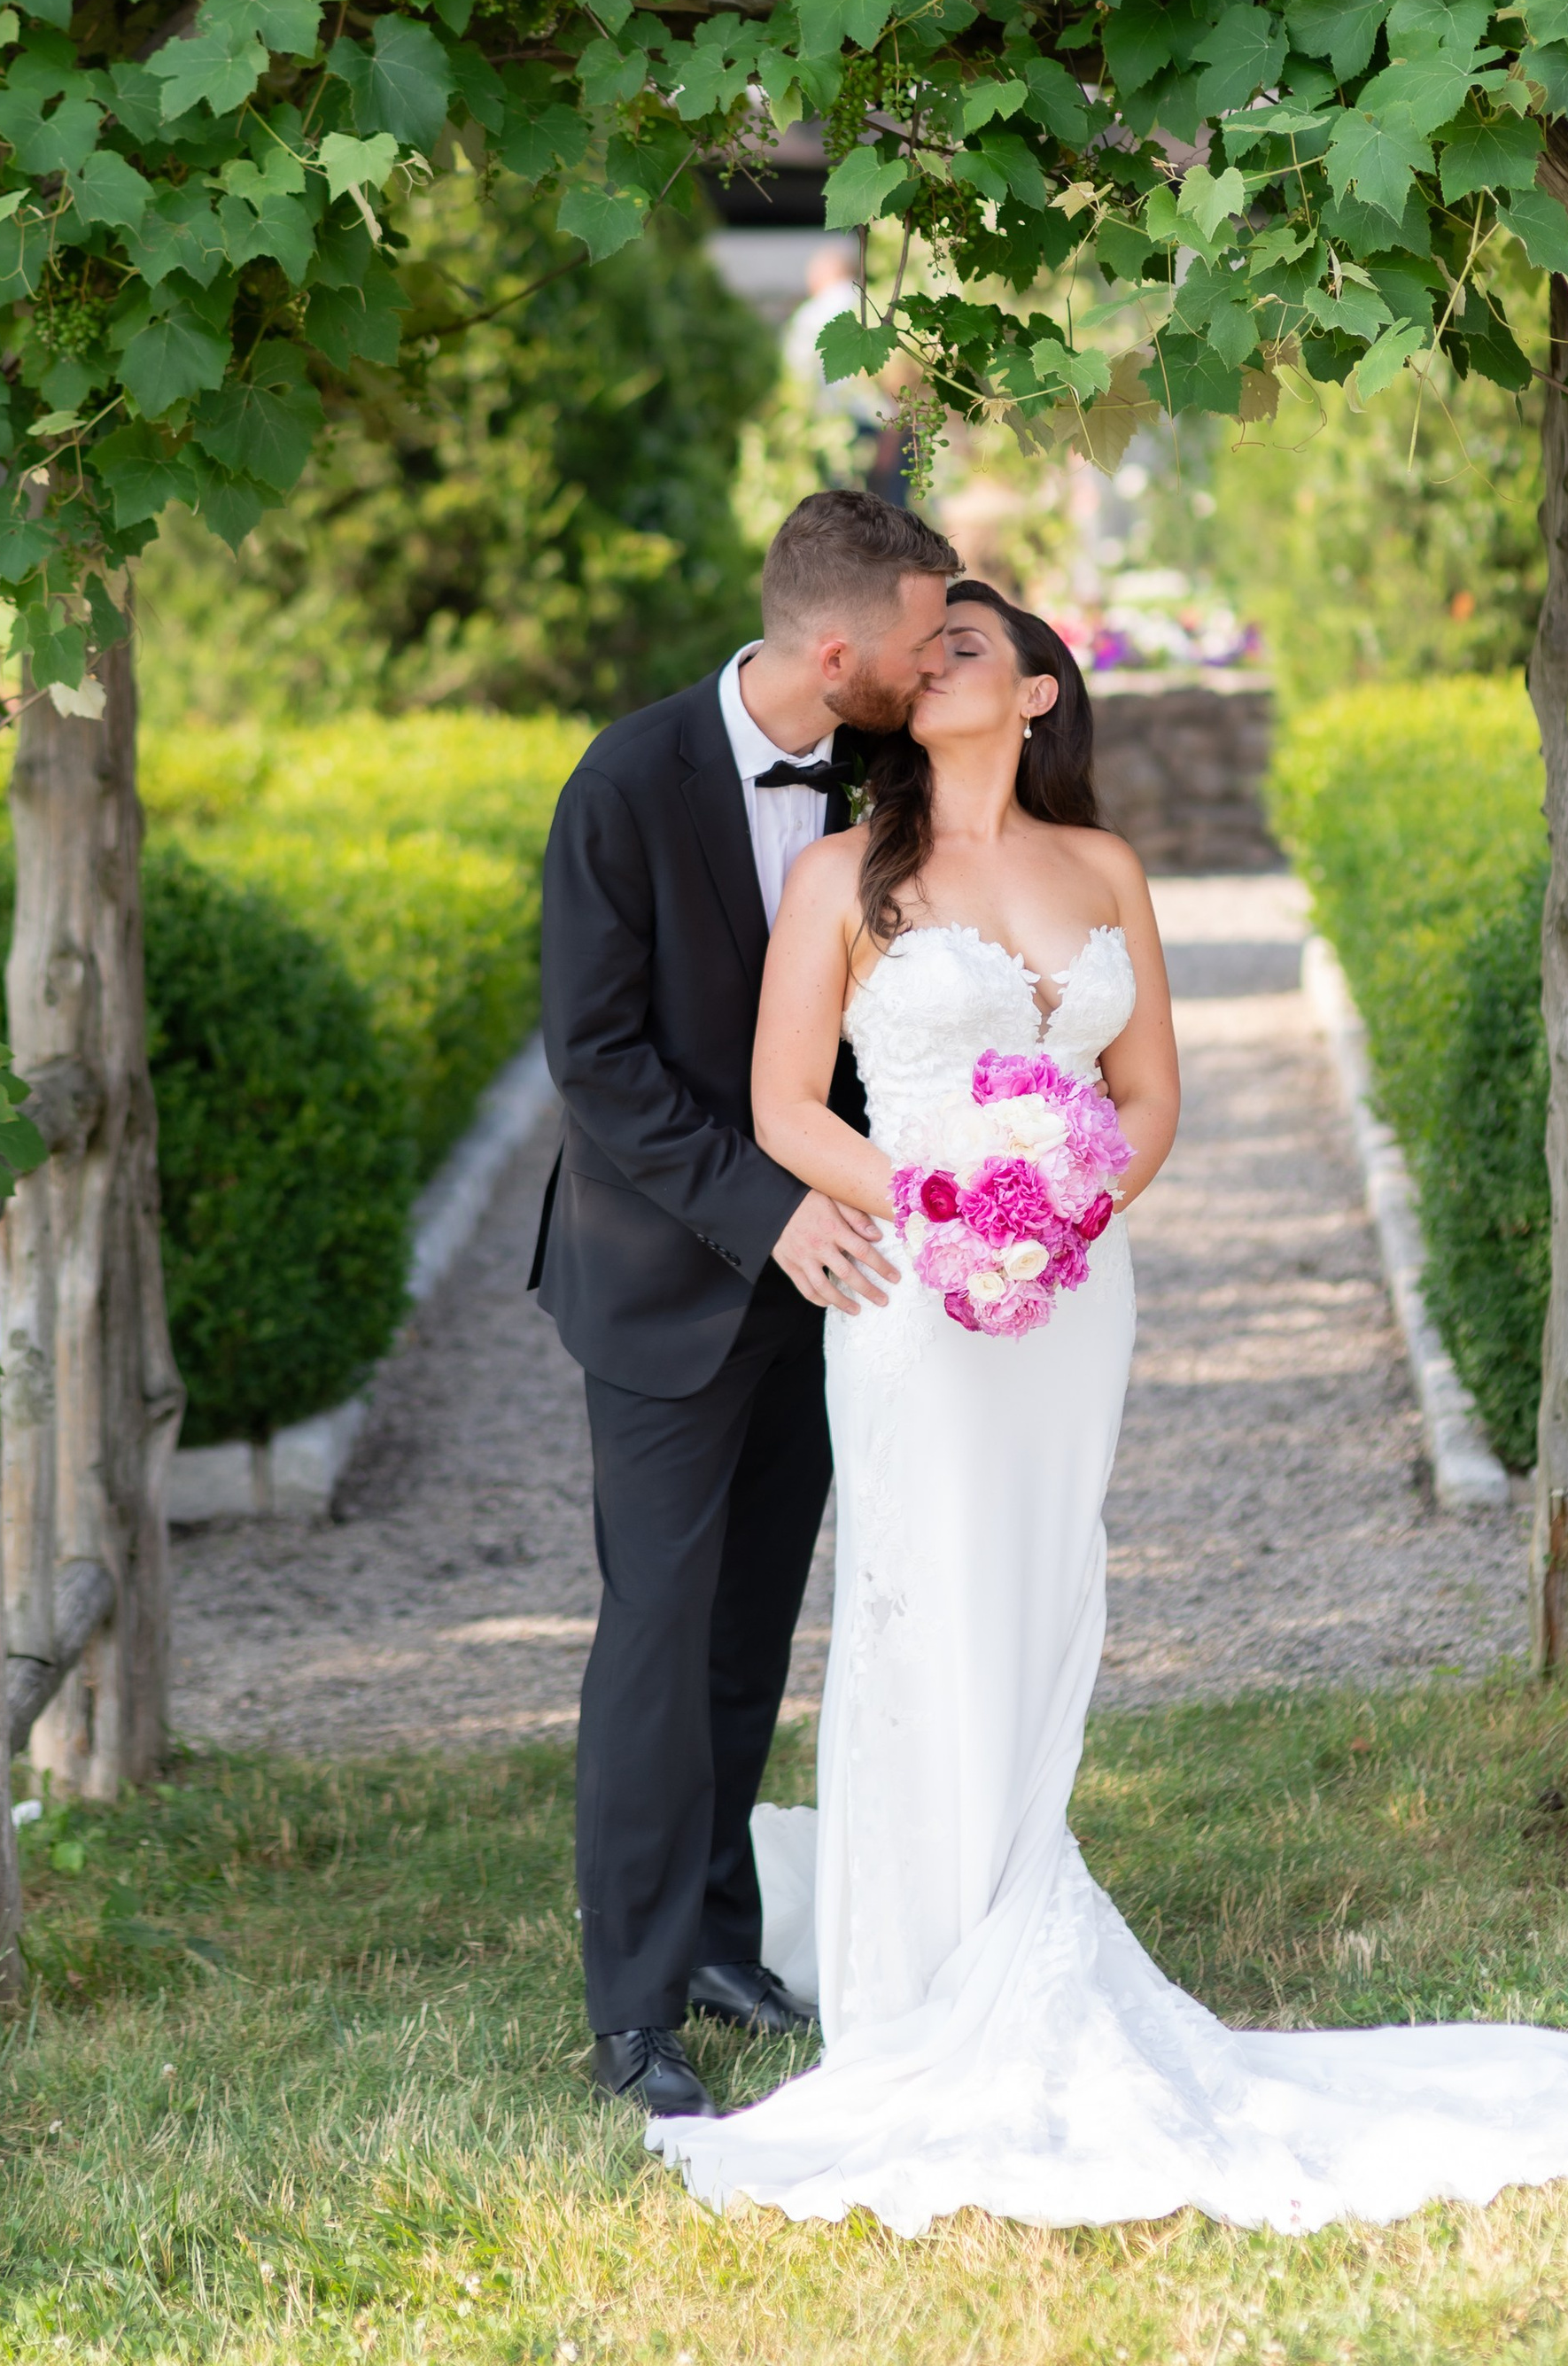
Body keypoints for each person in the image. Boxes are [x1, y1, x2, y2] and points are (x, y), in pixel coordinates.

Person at [649, 579, 1568, 2232]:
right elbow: (782, 1105)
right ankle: (915, 1981)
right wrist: (945, 1220)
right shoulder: (842, 879)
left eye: (969, 645)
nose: (936, 659)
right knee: (915, 1599)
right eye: (921, 648)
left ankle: (1021, 1885)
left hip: (1073, 1301)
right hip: (915, 1305)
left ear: (1036, 695)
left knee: (1041, 1593)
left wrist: (1076, 1212)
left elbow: (1144, 1094)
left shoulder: (1103, 873)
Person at [535, 488, 961, 2121]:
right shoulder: (625, 783)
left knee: (748, 1629)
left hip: (837, 1281)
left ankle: (719, 1934)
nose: (936, 666)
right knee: (654, 1637)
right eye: (922, 640)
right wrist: (770, 1211)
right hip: (663, 1285)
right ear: (839, 646)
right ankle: (635, 2011)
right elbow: (602, 1064)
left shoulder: (879, 773)